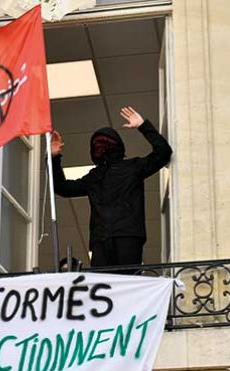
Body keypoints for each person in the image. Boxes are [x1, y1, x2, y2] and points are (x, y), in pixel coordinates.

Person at [51, 106, 172, 268]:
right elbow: (63, 188)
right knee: (113, 284)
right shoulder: (116, 171)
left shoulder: (126, 169)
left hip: (116, 237)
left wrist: (54, 158)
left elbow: (164, 153)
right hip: (114, 237)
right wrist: (54, 158)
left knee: (111, 285)